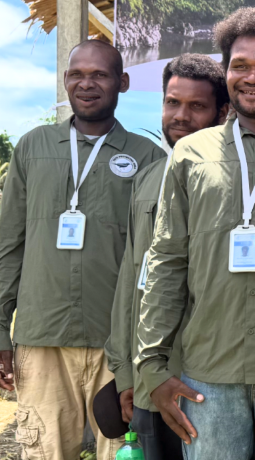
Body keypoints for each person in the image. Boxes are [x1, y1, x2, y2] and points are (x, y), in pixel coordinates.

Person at [136, 7, 255, 460]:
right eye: (240, 66)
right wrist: (152, 367)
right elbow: (166, 260)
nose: (252, 77)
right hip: (206, 377)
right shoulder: (191, 155)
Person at [0, 39, 164, 460]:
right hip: (42, 340)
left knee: (124, 453)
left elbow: (156, 259)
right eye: (77, 74)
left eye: (99, 75)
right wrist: (0, 329)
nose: (86, 84)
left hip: (118, 345)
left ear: (122, 82)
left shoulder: (148, 157)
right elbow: (8, 246)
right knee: (44, 453)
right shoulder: (33, 149)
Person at [106, 53, 230, 460]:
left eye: (197, 106)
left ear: (222, 111)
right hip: (150, 381)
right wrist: (127, 370)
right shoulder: (146, 179)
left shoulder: (239, 181)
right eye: (172, 103)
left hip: (213, 380)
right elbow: (132, 280)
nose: (181, 116)